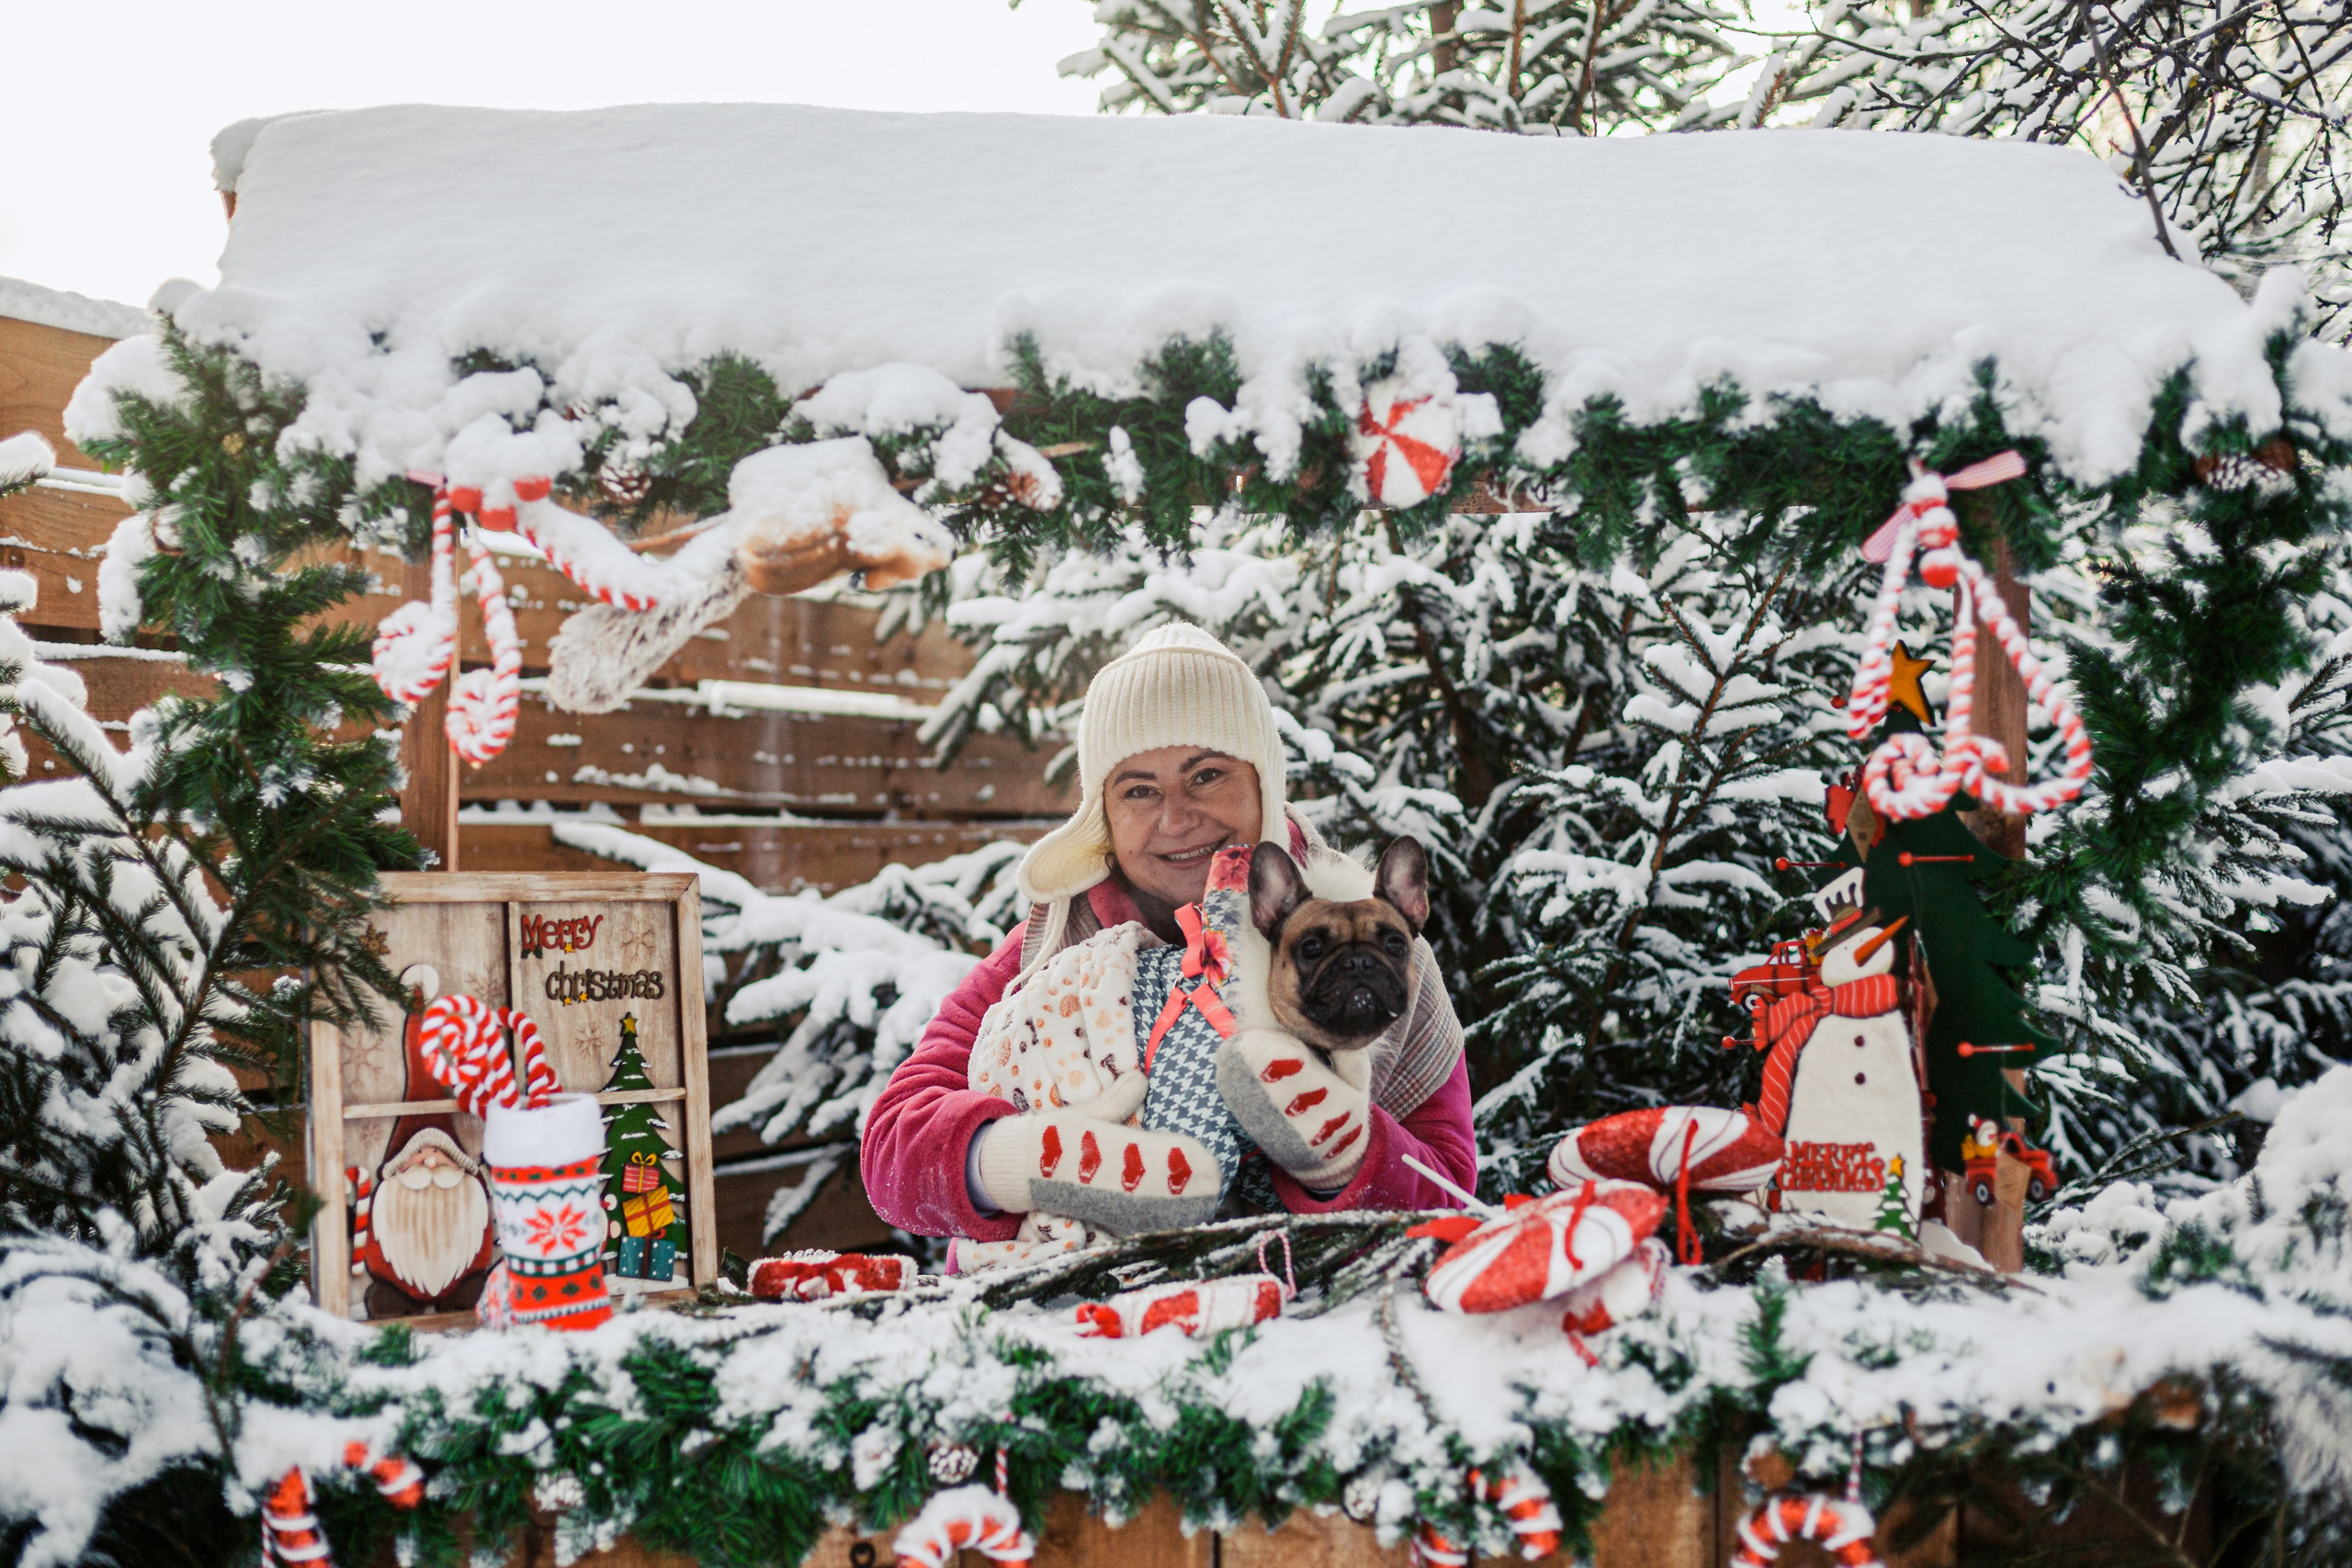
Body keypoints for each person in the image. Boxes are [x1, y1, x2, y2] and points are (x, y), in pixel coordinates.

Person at [861, 624, 1476, 1253]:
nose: (1176, 817)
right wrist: (1025, 1159)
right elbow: (889, 1152)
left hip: (1304, 1324)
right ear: (1103, 811)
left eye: (1207, 774)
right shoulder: (1048, 953)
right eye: (1139, 789)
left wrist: (1343, 1153)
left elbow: (1451, 1191)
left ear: (1263, 782)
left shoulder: (1374, 950)